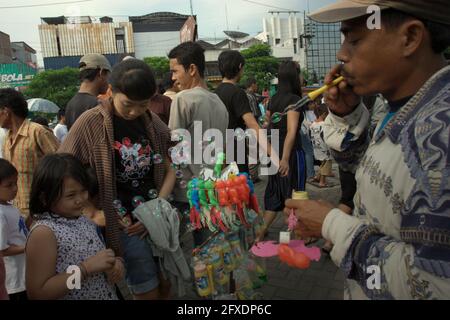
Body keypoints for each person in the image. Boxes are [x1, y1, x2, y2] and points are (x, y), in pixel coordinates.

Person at [285, 0, 450, 299]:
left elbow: (433, 285)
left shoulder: (441, 135)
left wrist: (331, 224)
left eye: (355, 40)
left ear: (410, 38)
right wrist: (348, 115)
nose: (341, 54)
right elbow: (373, 169)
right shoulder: (399, 107)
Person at [59, 58, 176, 300]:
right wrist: (90, 211)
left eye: (143, 105)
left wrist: (157, 209)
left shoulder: (151, 121)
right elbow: (62, 169)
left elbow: (171, 168)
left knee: (167, 282)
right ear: (111, 90)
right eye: (128, 104)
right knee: (146, 287)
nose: (135, 112)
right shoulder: (91, 122)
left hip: (153, 216)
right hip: (124, 225)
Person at [26, 154, 122, 300]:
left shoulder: (82, 219)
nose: (80, 199)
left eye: (83, 191)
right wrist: (85, 269)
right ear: (45, 198)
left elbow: (96, 260)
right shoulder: (44, 233)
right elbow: (39, 293)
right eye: (71, 195)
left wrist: (115, 264)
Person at [168, 41, 229, 246]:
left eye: (175, 71)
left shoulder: (182, 99)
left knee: (191, 253)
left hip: (188, 193)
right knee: (213, 250)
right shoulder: (218, 101)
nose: (173, 77)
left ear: (192, 69)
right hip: (214, 188)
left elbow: (174, 147)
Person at [258, 61, 305, 241]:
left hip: (274, 153)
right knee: (295, 195)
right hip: (290, 154)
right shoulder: (294, 100)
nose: (301, 78)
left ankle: (260, 233)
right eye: (299, 73)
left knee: (275, 194)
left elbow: (267, 125)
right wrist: (285, 159)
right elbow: (291, 131)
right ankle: (291, 238)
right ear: (294, 76)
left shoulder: (274, 98)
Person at [0, 89, 59, 220]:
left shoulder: (37, 132)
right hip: (17, 212)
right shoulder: (6, 139)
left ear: (6, 111)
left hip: (42, 211)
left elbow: (61, 167)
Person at [215, 50, 275, 175]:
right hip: (236, 152)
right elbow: (253, 125)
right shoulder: (237, 93)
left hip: (218, 153)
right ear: (240, 67)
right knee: (240, 191)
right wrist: (273, 154)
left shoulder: (214, 93)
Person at [0, 159, 27, 300]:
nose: (15, 188)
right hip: (14, 280)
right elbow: (2, 250)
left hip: (23, 273)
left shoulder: (9, 206)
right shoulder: (1, 214)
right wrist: (28, 247)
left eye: (15, 183)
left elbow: (19, 230)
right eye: (9, 185)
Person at [65, 53, 112, 131]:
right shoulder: (98, 105)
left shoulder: (70, 104)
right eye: (107, 75)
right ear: (101, 73)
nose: (108, 81)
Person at [310, 104, 333, 188]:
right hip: (325, 148)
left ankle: (317, 177)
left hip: (316, 147)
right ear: (324, 114)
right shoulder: (324, 124)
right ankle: (322, 182)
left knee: (322, 163)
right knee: (327, 163)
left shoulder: (313, 124)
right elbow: (325, 136)